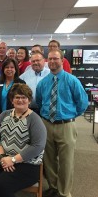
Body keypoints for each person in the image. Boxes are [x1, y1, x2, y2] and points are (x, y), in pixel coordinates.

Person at [36, 49, 88, 197]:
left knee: (66, 161)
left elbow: (82, 103)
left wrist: (69, 116)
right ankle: (53, 186)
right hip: (46, 124)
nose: (52, 61)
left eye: (56, 59)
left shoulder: (72, 80)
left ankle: (64, 192)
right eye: (50, 59)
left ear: (62, 60)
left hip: (66, 125)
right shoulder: (43, 83)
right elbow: (40, 102)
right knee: (49, 159)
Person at [0, 83, 47, 197]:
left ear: (29, 100)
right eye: (17, 97)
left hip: (27, 163)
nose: (20, 100)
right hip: (3, 158)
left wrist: (13, 160)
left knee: (1, 185)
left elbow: (38, 146)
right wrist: (2, 156)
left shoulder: (35, 119)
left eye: (24, 97)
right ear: (12, 100)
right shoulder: (4, 115)